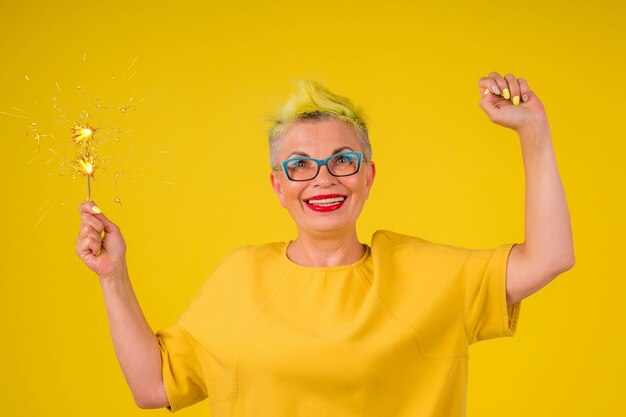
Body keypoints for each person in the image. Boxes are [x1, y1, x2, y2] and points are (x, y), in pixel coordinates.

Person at [76, 72, 574, 416]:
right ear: (277, 185)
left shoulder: (424, 273)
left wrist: (534, 133)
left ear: (368, 175)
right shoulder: (241, 279)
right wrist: (112, 276)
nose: (323, 179)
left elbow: (550, 257)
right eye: (299, 164)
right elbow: (153, 385)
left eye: (343, 160)